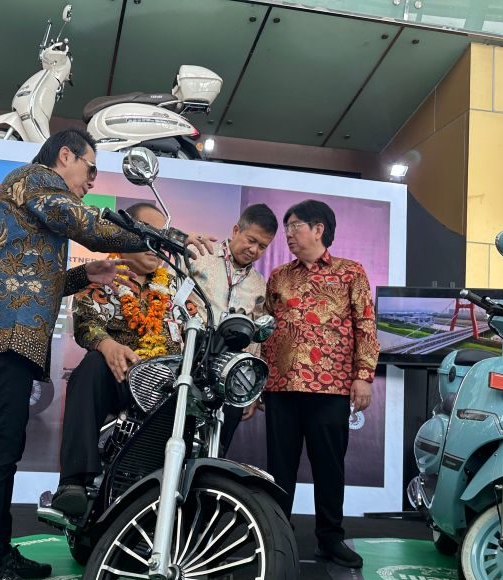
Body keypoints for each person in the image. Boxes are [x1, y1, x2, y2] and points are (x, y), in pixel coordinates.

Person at [0, 129, 214, 580]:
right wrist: (168, 237)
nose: (93, 180)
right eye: (90, 168)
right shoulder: (36, 179)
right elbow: (90, 226)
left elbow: (37, 280)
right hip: (4, 335)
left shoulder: (33, 199)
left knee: (5, 449)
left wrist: (84, 275)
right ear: (65, 155)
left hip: (10, 336)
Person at [261, 199, 379, 570]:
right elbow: (265, 326)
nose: (288, 233)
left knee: (329, 467)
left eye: (295, 225)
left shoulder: (350, 273)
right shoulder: (279, 276)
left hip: (330, 387)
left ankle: (330, 539)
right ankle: (278, 539)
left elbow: (365, 326)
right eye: (287, 227)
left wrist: (363, 376)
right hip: (281, 387)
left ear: (318, 229)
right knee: (279, 469)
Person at [52, 202, 182, 515]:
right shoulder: (104, 274)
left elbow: (195, 327)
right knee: (92, 366)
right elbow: (86, 321)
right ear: (125, 235)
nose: (156, 243)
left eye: (161, 236)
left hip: (170, 386)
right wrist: (107, 345)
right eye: (148, 234)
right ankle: (74, 482)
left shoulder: (177, 285)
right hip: (122, 377)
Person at [184, 204, 277, 455]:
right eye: (251, 240)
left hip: (231, 374)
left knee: (217, 449)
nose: (254, 250)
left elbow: (256, 339)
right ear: (236, 230)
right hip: (189, 362)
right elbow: (172, 299)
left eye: (263, 246)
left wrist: (250, 389)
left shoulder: (259, 284)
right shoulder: (198, 255)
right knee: (178, 438)